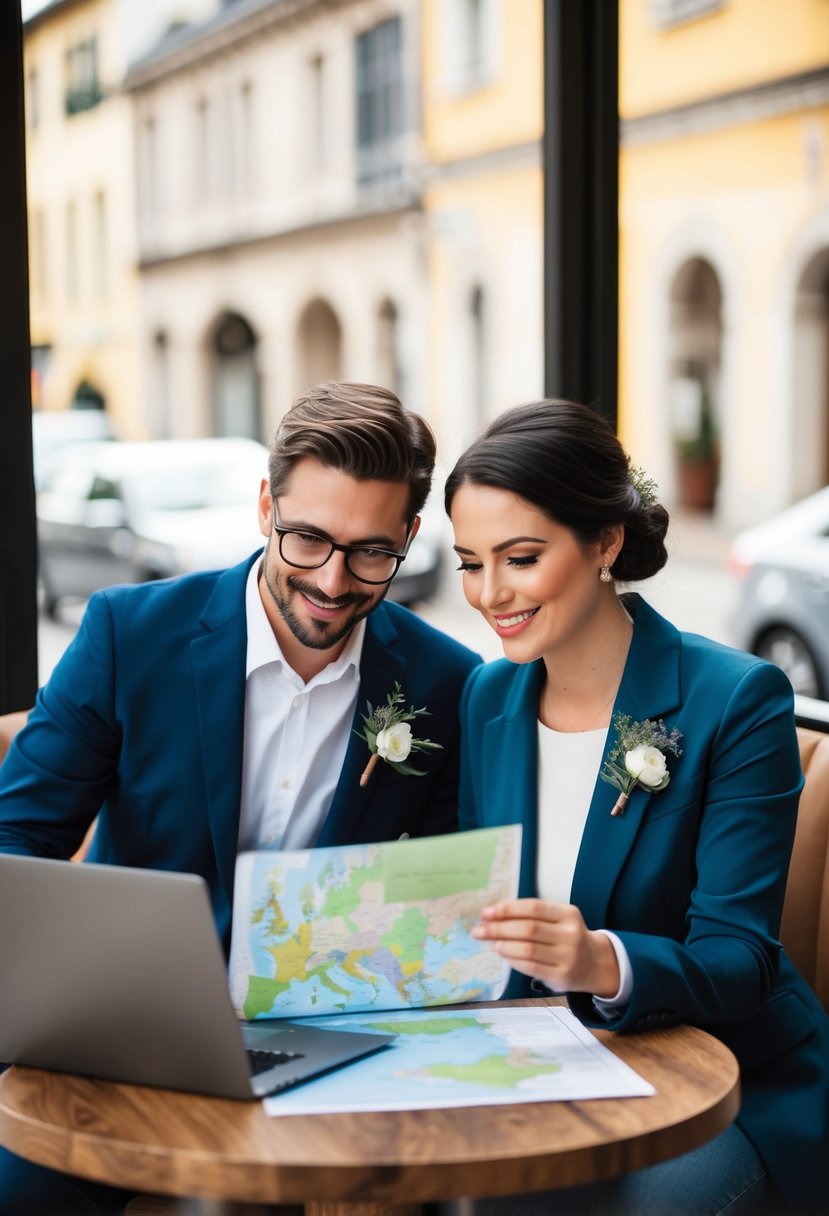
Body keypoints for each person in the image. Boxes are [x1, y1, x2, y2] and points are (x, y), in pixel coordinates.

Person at [0, 381, 481, 1215]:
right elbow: (17, 842)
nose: (332, 582)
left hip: (330, 1043)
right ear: (266, 506)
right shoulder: (128, 634)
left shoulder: (445, 682)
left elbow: (439, 895)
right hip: (126, 1036)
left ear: (409, 536)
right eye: (307, 539)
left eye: (371, 552)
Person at [444, 399, 829, 1216]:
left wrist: (601, 961)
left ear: (604, 543)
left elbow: (740, 959)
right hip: (541, 1072)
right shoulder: (486, 698)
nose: (489, 593)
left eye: (518, 558)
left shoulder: (735, 699)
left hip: (722, 1080)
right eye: (469, 563)